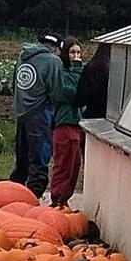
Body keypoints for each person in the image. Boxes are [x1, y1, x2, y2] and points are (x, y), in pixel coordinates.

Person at [11, 32, 63, 193]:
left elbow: (15, 83)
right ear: (56, 49)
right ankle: (34, 196)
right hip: (40, 113)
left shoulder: (22, 56)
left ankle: (13, 192)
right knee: (39, 158)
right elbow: (57, 91)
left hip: (21, 112)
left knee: (22, 158)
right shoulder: (53, 61)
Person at [46, 40, 87, 208]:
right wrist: (78, 72)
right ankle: (57, 199)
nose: (76, 57)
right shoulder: (60, 73)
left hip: (76, 124)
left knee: (75, 165)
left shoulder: (78, 73)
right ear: (65, 54)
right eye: (72, 53)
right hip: (63, 124)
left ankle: (65, 199)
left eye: (78, 53)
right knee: (63, 164)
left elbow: (83, 93)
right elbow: (72, 94)